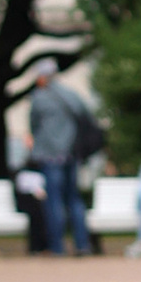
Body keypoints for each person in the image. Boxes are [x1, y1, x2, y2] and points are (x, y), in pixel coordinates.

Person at [24, 63, 98, 258]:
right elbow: (86, 116)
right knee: (74, 199)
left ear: (42, 77)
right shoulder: (71, 95)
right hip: (72, 154)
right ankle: (82, 244)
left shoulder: (40, 98)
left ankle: (57, 246)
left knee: (54, 200)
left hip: (50, 155)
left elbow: (33, 125)